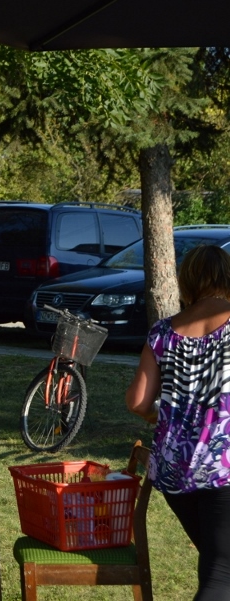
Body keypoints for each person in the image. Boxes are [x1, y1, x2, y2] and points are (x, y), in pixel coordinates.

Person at [126, 245, 230, 600]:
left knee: (217, 564)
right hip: (223, 467)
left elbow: (138, 401)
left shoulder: (164, 332)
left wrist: (165, 415)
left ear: (187, 281)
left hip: (176, 469)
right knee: (221, 575)